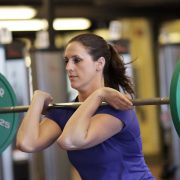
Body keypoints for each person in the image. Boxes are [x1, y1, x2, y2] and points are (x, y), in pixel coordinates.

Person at [16, 33, 155, 180]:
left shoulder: (117, 109)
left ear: (99, 64)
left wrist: (99, 94)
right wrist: (37, 100)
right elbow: (27, 144)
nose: (69, 67)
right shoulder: (66, 111)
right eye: (66, 61)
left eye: (77, 60)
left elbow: (70, 140)